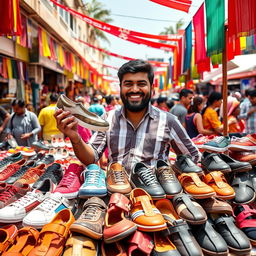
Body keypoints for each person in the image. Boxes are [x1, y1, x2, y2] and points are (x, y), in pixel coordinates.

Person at [54, 60, 200, 174]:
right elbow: (91, 157)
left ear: (152, 89)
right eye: (128, 84)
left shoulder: (168, 121)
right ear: (121, 88)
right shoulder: (108, 118)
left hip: (154, 203)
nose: (134, 89)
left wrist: (168, 175)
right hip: (116, 197)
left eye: (141, 84)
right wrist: (75, 137)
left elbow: (193, 157)